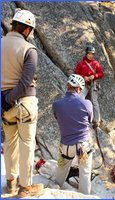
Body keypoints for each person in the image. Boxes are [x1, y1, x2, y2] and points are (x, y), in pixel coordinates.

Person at [1, 9, 44, 198]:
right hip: (25, 103)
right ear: (27, 30)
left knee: (9, 143)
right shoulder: (29, 50)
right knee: (27, 143)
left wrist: (4, 101)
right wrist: (11, 98)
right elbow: (26, 82)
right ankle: (25, 188)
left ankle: (10, 183)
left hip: (4, 106)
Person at [53, 74, 94, 195]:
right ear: (79, 89)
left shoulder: (57, 104)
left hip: (65, 146)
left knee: (61, 171)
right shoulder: (87, 104)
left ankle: (54, 189)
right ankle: (85, 196)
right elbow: (90, 119)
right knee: (85, 173)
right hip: (83, 147)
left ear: (68, 86)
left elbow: (58, 117)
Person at [74, 45, 104, 128]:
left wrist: (94, 76)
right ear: (86, 54)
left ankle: (96, 120)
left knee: (94, 101)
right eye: (89, 53)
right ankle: (80, 117)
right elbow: (76, 73)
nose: (91, 55)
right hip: (85, 84)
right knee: (80, 98)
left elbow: (101, 74)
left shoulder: (96, 63)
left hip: (93, 84)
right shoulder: (81, 63)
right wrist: (84, 77)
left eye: (92, 54)